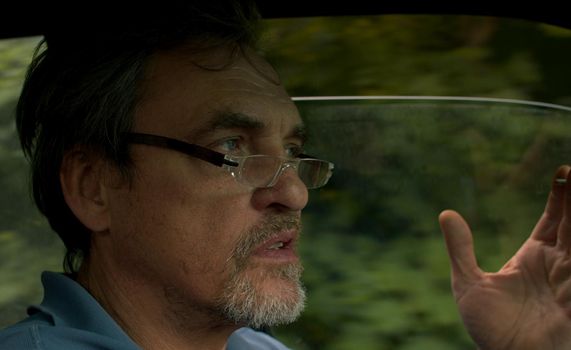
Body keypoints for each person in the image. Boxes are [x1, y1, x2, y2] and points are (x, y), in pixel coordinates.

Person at [1, 1, 570, 349]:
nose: (294, 192)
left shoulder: (255, 347)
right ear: (93, 187)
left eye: (294, 150)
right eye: (230, 146)